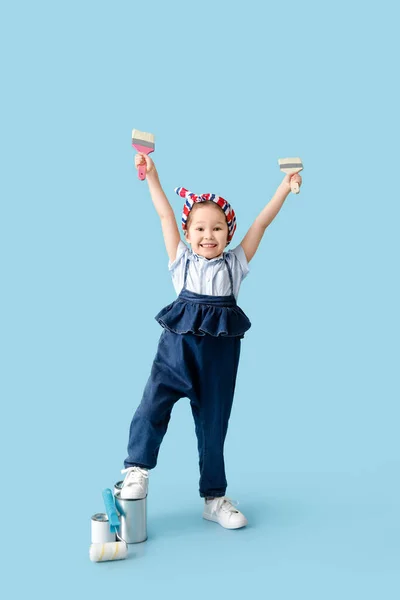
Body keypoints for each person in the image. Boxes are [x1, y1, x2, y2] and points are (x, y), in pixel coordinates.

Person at [119, 152, 302, 530]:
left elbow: (262, 224)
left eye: (217, 228)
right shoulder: (181, 262)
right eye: (200, 229)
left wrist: (284, 188)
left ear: (228, 234)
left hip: (218, 361)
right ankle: (136, 469)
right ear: (188, 234)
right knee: (152, 406)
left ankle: (214, 498)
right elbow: (166, 214)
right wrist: (153, 176)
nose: (208, 235)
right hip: (175, 356)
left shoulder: (235, 265)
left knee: (214, 426)